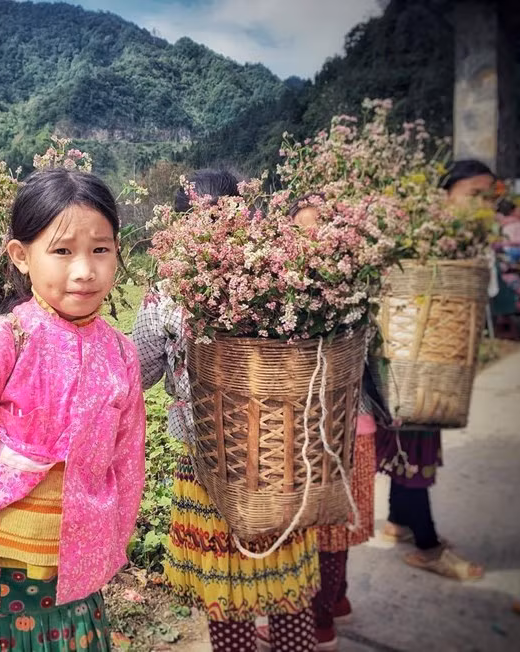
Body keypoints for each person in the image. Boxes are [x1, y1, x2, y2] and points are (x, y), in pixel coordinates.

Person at [0, 168, 146, 651]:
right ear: (21, 257)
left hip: (78, 579)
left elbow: (128, 458)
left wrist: (112, 546)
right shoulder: (0, 344)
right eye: (63, 251)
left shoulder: (122, 353)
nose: (84, 269)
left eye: (100, 249)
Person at [133, 170, 321, 652]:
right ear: (177, 230)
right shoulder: (167, 296)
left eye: (223, 219)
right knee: (239, 590)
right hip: (220, 463)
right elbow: (143, 372)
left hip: (267, 457)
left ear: (246, 220)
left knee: (269, 585)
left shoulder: (272, 283)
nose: (213, 233)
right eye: (200, 222)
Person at [375, 160, 492, 581]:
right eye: (473, 195)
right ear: (446, 195)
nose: (481, 205)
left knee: (413, 438)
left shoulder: (460, 241)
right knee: (414, 442)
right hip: (410, 359)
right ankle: (427, 546)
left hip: (429, 359)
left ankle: (398, 521)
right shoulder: (423, 237)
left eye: (487, 197)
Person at [286, 197, 378, 651]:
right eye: (303, 233)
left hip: (339, 425)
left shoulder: (347, 293)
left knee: (328, 527)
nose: (315, 243)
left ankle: (322, 621)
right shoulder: (291, 291)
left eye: (325, 233)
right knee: (327, 526)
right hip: (323, 426)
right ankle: (336, 601)